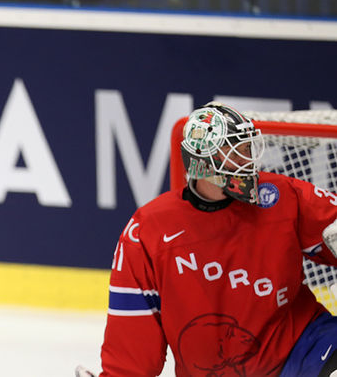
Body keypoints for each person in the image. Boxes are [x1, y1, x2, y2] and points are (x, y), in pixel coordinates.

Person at [101, 102, 337, 376]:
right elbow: (131, 353)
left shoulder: (280, 196)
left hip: (306, 346)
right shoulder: (147, 231)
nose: (247, 161)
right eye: (235, 152)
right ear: (203, 162)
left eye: (247, 149)